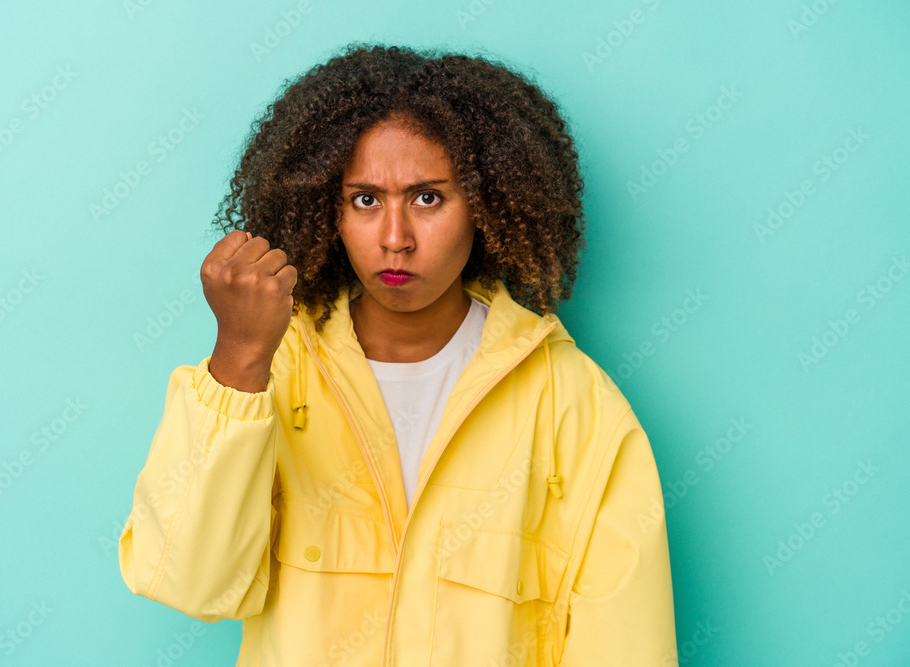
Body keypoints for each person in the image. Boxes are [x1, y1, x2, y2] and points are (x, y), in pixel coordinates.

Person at [118, 42, 676, 666]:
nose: (395, 238)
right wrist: (241, 355)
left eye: (428, 198)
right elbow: (189, 583)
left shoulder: (574, 404)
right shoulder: (271, 372)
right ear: (328, 209)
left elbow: (628, 648)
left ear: (487, 206)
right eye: (365, 200)